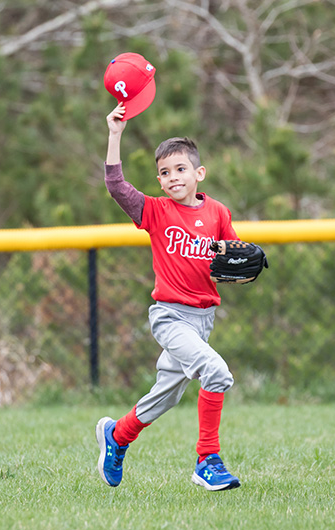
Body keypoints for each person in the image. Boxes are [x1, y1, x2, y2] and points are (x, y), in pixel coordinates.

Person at [96, 101, 241, 491]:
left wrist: (240, 257)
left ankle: (117, 436)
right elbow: (115, 186)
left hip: (202, 320)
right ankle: (207, 459)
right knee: (217, 373)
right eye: (164, 172)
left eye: (180, 169)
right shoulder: (155, 212)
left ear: (199, 173)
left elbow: (231, 257)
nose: (173, 177)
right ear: (159, 182)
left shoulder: (218, 213)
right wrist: (115, 134)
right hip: (170, 317)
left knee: (166, 396)